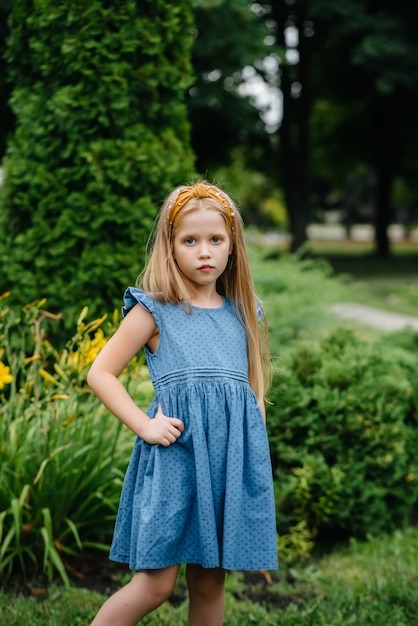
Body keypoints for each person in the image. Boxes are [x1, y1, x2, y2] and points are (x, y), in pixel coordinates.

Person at [87, 181, 278, 626]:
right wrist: (144, 426)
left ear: (233, 247)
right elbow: (100, 373)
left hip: (225, 466)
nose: (204, 251)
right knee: (155, 585)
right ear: (170, 248)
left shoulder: (245, 312)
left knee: (211, 582)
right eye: (189, 241)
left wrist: (251, 461)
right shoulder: (154, 311)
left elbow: (251, 394)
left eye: (216, 240)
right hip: (176, 462)